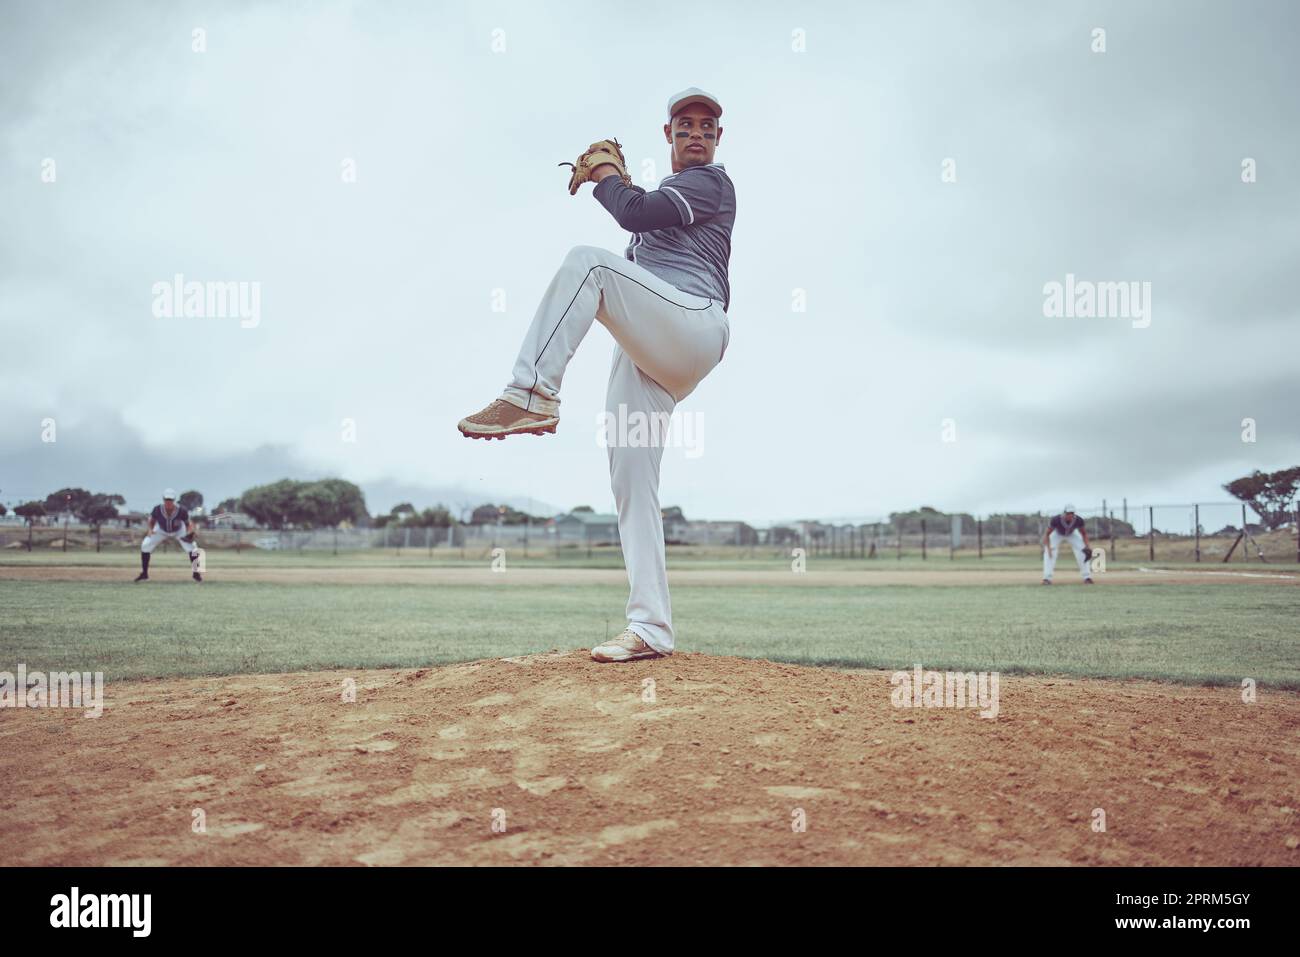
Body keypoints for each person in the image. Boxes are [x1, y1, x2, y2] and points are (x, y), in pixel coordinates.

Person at [457, 87, 735, 662]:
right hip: (655, 353)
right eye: (686, 124)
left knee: (588, 262)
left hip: (695, 326)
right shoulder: (657, 211)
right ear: (668, 135)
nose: (697, 133)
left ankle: (531, 391)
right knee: (632, 479)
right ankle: (650, 629)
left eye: (708, 126)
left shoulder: (711, 184)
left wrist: (608, 176)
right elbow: (637, 230)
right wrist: (621, 183)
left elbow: (633, 211)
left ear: (717, 139)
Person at [135, 489, 202, 583]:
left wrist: (190, 533)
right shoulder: (158, 509)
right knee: (145, 545)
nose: (168, 502)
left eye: (170, 500)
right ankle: (144, 574)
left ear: (174, 500)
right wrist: (150, 530)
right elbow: (152, 521)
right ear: (163, 499)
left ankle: (196, 574)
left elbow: (188, 524)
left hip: (179, 530)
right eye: (166, 499)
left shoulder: (181, 510)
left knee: (193, 548)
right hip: (161, 529)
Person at [1042, 504, 1093, 585]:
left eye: (1072, 513)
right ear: (1064, 513)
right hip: (1057, 534)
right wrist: (1048, 548)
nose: (1070, 515)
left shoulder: (1078, 520)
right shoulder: (1056, 520)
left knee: (1083, 552)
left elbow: (1084, 534)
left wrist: (1087, 546)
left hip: (1072, 534)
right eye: (1068, 513)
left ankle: (1087, 577)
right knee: (1049, 553)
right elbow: (1047, 534)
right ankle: (1047, 578)